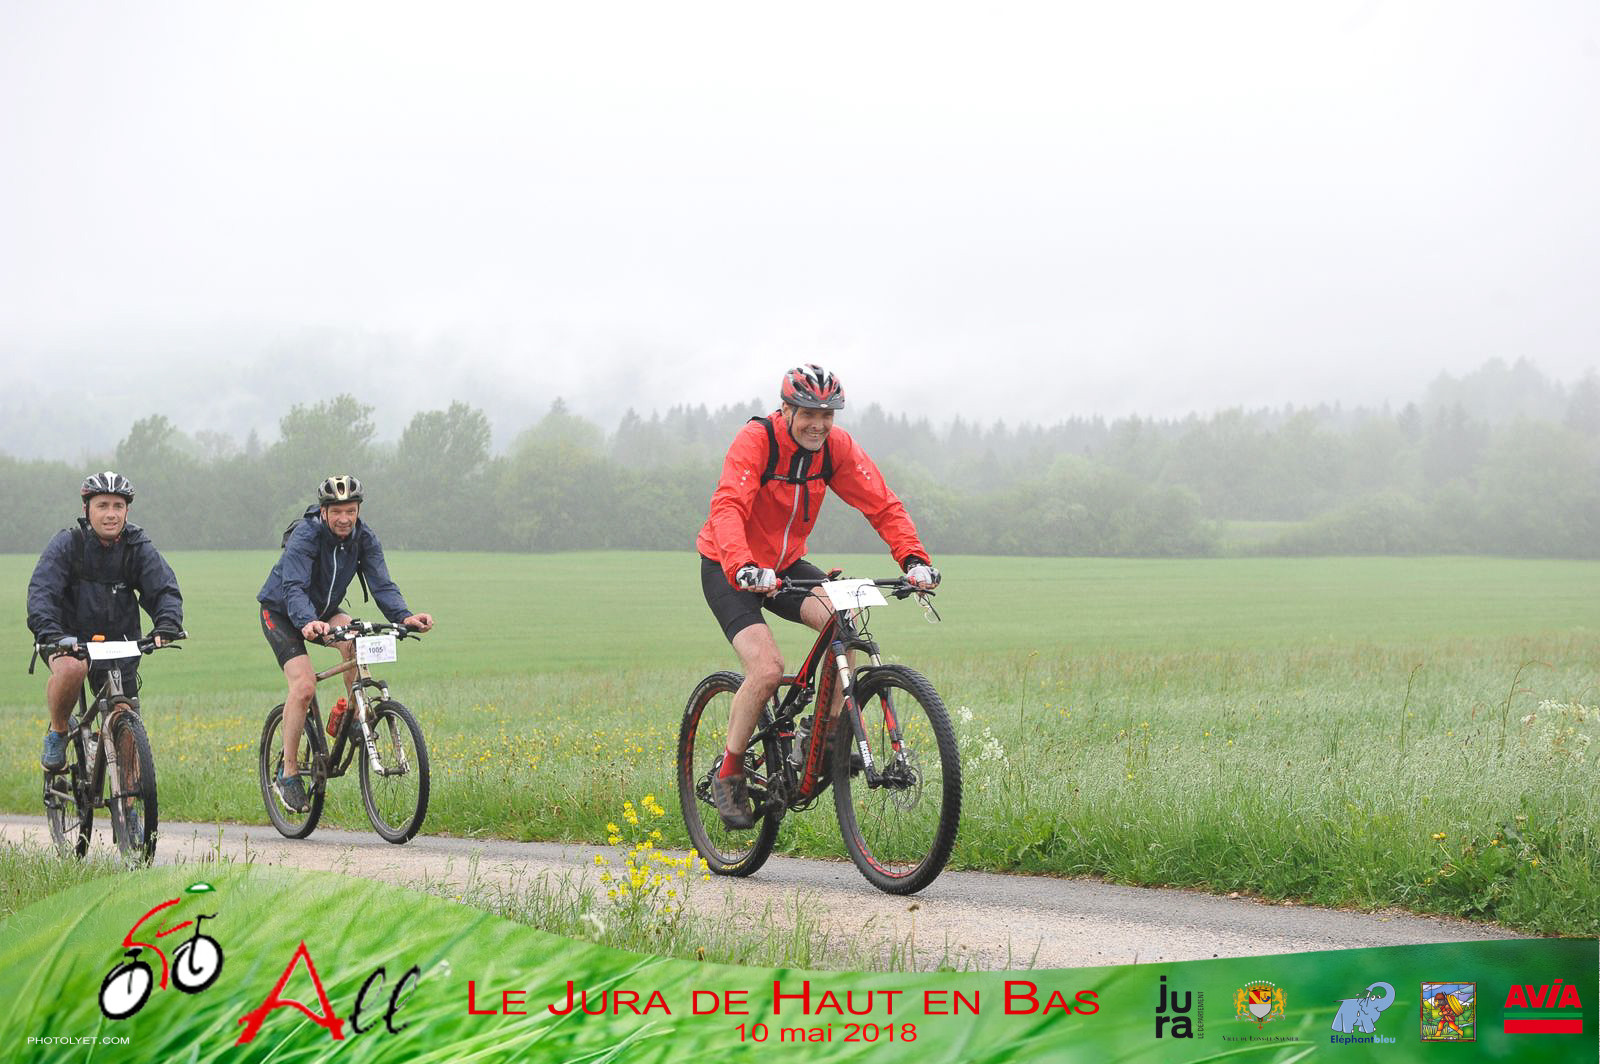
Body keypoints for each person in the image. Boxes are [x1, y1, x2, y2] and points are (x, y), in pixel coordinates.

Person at [696, 365, 939, 829]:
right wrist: (743, 566)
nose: (819, 424)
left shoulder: (835, 448)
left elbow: (881, 503)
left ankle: (821, 737)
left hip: (786, 566)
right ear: (786, 410)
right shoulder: (757, 441)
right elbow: (728, 506)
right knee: (767, 669)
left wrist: (913, 559)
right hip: (731, 568)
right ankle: (730, 773)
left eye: (828, 415)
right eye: (809, 413)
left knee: (843, 620)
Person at [257, 475, 433, 812]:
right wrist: (307, 622)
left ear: (358, 511)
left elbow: (382, 584)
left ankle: (355, 717)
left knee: (355, 641)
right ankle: (288, 773)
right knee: (304, 686)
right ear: (324, 511)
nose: (344, 518)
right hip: (282, 612)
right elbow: (294, 587)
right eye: (336, 511)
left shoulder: (364, 538)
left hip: (323, 611)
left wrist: (405, 617)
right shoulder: (306, 535)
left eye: (350, 511)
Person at [27, 472, 184, 771]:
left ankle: (129, 794)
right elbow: (42, 592)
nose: (111, 514)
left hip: (118, 640)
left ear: (127, 511)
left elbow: (163, 588)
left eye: (118, 506)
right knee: (72, 669)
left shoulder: (137, 546)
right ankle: (58, 732)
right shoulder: (67, 544)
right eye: (103, 506)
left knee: (125, 715)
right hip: (68, 638)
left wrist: (167, 623)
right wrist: (50, 633)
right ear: (87, 509)